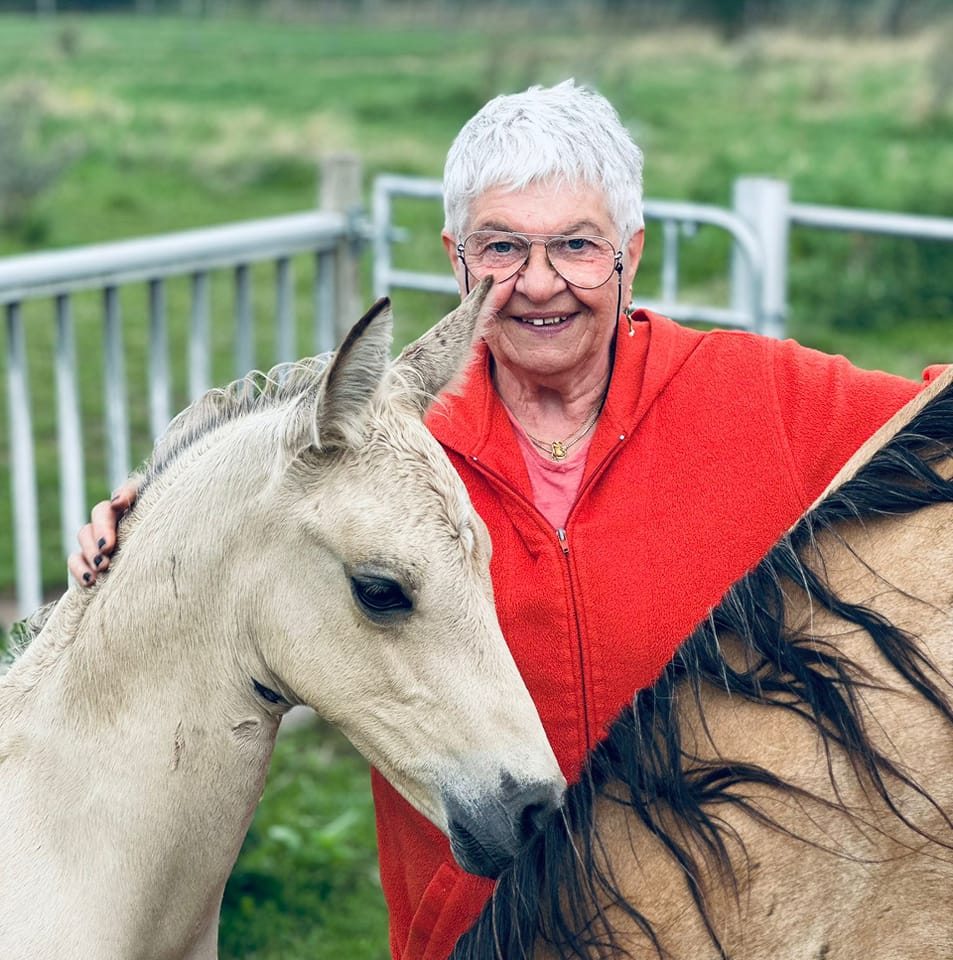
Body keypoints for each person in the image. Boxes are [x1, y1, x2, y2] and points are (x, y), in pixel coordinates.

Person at [69, 80, 944, 959]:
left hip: (717, 926)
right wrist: (152, 529)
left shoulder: (761, 397)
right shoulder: (387, 458)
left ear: (629, 254)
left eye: (576, 245)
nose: (538, 283)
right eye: (502, 248)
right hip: (479, 932)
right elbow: (238, 558)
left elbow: (935, 425)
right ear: (454, 258)